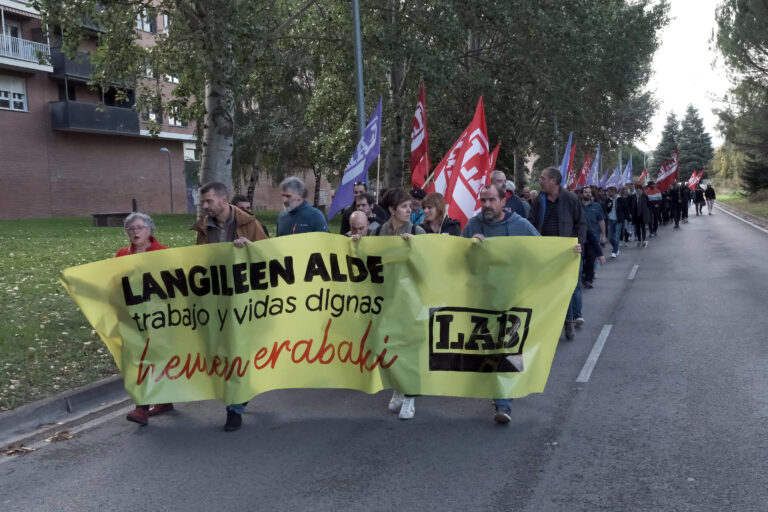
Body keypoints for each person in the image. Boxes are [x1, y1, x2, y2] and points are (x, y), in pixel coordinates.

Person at [191, 182, 269, 431]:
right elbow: (199, 261)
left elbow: (269, 257)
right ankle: (239, 396)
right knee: (226, 351)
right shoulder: (204, 229)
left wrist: (250, 249)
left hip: (246, 299)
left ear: (224, 201)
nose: (205, 206)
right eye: (204, 202)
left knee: (240, 350)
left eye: (209, 201)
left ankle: (234, 408)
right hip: (218, 300)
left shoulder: (249, 224)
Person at [369, 188, 425, 419]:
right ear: (391, 209)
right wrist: (354, 243)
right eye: (403, 207)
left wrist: (415, 248)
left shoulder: (416, 230)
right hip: (385, 299)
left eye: (409, 206)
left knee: (408, 346)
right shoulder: (376, 233)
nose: (408, 210)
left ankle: (409, 397)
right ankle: (398, 388)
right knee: (388, 346)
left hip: (410, 300)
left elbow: (428, 263)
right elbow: (365, 259)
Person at [120, 212, 174, 426]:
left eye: (140, 227)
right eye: (131, 229)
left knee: (155, 358)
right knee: (138, 359)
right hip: (133, 317)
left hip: (160, 317)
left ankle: (147, 405)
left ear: (150, 230)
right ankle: (153, 403)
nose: (135, 232)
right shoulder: (122, 255)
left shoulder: (164, 254)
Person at [528, 167, 586, 340]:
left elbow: (581, 223)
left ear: (553, 180)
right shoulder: (540, 200)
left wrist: (578, 243)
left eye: (543, 178)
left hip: (566, 252)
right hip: (544, 252)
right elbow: (531, 222)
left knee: (563, 288)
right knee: (546, 288)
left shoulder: (570, 198)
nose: (540, 180)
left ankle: (568, 321)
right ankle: (548, 324)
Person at [580, 187, 605, 289]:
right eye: (586, 192)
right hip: (580, 238)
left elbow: (601, 221)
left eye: (589, 192)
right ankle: (582, 276)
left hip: (593, 238)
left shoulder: (597, 206)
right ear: (581, 194)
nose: (588, 194)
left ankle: (588, 280)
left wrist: (604, 235)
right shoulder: (577, 206)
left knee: (590, 259)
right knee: (581, 259)